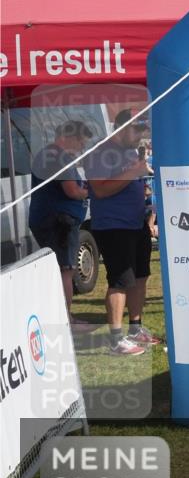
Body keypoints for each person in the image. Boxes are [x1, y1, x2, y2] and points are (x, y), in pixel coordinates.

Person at [85, 110, 162, 355]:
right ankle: (116, 340)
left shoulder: (130, 152)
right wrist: (134, 173)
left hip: (136, 223)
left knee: (140, 276)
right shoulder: (99, 153)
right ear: (121, 127)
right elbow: (100, 190)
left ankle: (135, 328)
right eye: (137, 130)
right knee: (119, 281)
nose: (140, 136)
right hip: (113, 226)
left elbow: (131, 181)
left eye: (143, 130)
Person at [28, 120, 95, 331]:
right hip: (58, 222)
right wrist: (91, 192)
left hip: (53, 220)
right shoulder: (58, 157)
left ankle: (64, 317)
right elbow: (72, 191)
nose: (82, 148)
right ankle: (67, 321)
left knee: (62, 269)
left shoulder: (50, 155)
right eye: (81, 143)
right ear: (69, 137)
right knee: (66, 269)